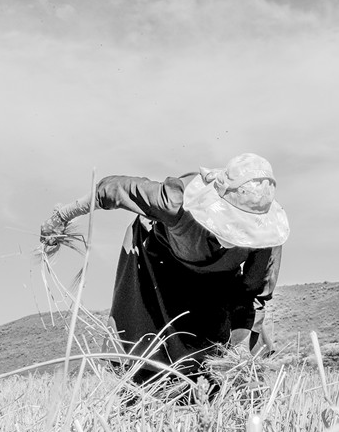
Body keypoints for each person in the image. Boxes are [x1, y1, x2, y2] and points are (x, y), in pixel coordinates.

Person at [40, 153, 289, 389]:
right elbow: (111, 189)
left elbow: (251, 293)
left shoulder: (265, 237)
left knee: (219, 367)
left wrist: (239, 353)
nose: (235, 237)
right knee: (148, 355)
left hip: (216, 281)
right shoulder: (175, 203)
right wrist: (62, 216)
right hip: (158, 264)